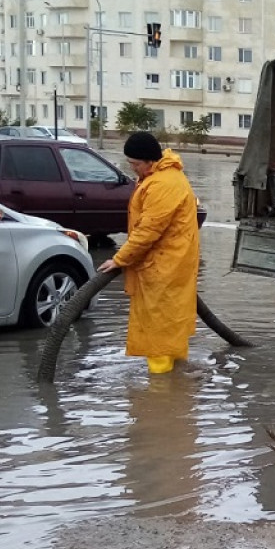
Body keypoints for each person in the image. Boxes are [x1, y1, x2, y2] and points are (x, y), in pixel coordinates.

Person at [97, 132, 200, 374]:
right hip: (169, 265)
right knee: (170, 327)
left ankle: (159, 395)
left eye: (136, 164)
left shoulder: (163, 185)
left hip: (163, 269)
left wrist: (119, 259)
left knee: (158, 333)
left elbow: (148, 231)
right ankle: (178, 390)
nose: (133, 169)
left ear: (150, 161)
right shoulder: (164, 177)